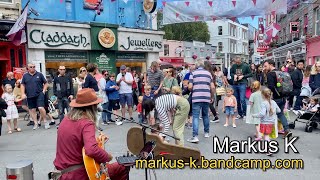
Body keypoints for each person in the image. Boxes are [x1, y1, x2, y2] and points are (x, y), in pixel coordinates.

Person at [53, 88, 128, 180]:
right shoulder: (86, 122)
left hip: (62, 173)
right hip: (78, 174)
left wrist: (99, 142)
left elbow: (75, 142)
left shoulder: (66, 119)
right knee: (122, 167)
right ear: (92, 107)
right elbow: (91, 149)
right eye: (96, 104)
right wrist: (107, 156)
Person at [187, 59, 215, 143]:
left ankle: (195, 136)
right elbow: (212, 87)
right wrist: (211, 96)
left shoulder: (193, 73)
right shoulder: (208, 73)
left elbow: (190, 86)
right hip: (206, 97)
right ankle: (206, 132)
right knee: (205, 115)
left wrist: (193, 90)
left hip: (196, 97)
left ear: (196, 65)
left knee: (195, 116)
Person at [263, 59, 292, 138]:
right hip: (283, 96)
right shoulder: (280, 72)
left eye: (266, 66)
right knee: (280, 114)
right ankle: (287, 129)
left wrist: (268, 97)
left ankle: (268, 132)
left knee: (269, 115)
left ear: (271, 65)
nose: (264, 68)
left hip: (275, 98)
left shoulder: (270, 74)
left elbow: (271, 87)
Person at [21, 63, 50, 130]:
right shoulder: (25, 76)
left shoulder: (39, 74)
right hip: (29, 94)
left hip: (39, 94)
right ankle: (36, 123)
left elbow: (46, 83)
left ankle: (45, 121)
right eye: (31, 67)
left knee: (40, 107)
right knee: (32, 109)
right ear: (28, 68)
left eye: (34, 67)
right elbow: (22, 85)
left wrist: (43, 91)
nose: (32, 68)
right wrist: (23, 93)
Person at [252, 88, 280, 156]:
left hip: (265, 122)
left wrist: (254, 115)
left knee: (266, 136)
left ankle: (269, 149)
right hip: (272, 122)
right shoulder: (274, 102)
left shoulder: (264, 103)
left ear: (263, 95)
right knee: (267, 136)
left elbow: (262, 114)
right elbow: (278, 110)